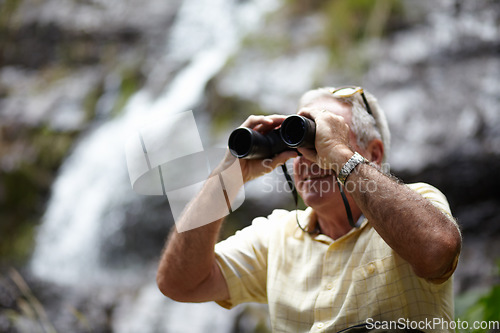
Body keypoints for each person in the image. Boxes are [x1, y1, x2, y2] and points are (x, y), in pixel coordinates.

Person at [156, 86, 462, 332]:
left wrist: (339, 156)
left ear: (374, 152)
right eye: (298, 144)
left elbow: (437, 251)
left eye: (318, 141)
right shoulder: (276, 237)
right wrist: (228, 174)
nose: (306, 158)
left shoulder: (417, 203)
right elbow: (180, 283)